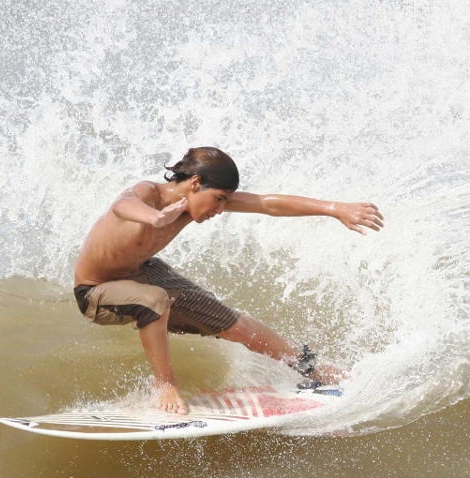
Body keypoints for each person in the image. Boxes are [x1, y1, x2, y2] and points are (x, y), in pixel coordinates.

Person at [73, 147, 384, 414]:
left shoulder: (196, 201)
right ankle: (165, 385)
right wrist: (155, 217)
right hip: (96, 291)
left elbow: (267, 204)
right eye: (219, 200)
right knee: (154, 300)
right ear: (195, 183)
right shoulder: (149, 195)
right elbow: (122, 204)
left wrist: (334, 209)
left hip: (142, 271)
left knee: (235, 325)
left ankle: (311, 368)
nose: (220, 210)